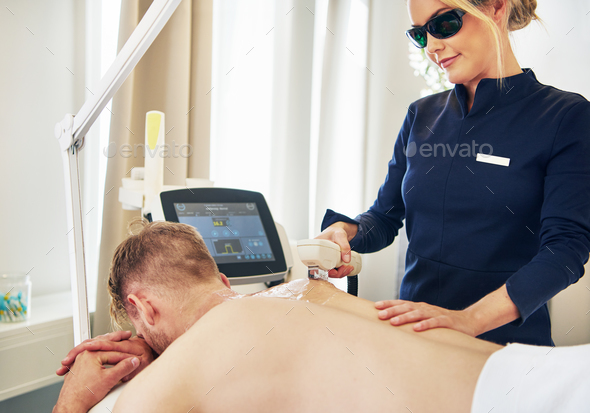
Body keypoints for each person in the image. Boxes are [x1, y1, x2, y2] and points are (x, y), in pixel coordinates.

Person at [53, 221, 590, 412]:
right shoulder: (302, 291)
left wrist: (72, 398)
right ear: (219, 279)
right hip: (542, 372)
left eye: (143, 329)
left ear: (144, 308)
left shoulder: (189, 363)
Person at [317, 0, 590, 346]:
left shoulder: (565, 117)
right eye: (419, 34)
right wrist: (344, 231)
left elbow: (565, 250)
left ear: (495, 8)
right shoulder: (422, 115)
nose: (431, 46)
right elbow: (383, 219)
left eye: (444, 24)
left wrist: (468, 320)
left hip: (505, 352)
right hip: (415, 337)